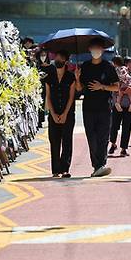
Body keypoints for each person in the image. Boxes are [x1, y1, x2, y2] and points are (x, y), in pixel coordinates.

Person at [75, 38, 120, 177]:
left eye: (98, 48)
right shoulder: (85, 66)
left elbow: (116, 86)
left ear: (102, 50)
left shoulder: (108, 66)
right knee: (92, 138)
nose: (96, 51)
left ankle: (101, 164)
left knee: (103, 137)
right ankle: (96, 165)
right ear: (89, 49)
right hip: (88, 107)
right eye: (94, 48)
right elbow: (79, 88)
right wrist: (77, 78)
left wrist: (102, 87)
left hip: (104, 107)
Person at [45, 50, 76, 178]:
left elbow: (71, 97)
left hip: (67, 114)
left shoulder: (70, 77)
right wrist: (52, 113)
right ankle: (55, 170)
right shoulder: (49, 77)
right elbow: (48, 97)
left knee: (67, 141)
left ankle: (65, 168)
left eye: (60, 58)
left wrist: (64, 114)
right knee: (54, 141)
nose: (57, 61)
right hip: (53, 113)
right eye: (56, 58)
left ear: (65, 61)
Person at [109, 57, 131, 157]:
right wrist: (120, 89)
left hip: (129, 107)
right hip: (117, 106)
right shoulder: (115, 76)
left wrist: (130, 89)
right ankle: (113, 143)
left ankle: (124, 148)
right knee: (114, 126)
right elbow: (112, 87)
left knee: (127, 128)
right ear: (126, 64)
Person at [37, 48, 54, 129]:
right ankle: (39, 121)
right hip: (40, 88)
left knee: (51, 104)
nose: (43, 57)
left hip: (50, 87)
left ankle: (51, 119)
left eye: (44, 55)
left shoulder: (51, 67)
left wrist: (47, 76)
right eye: (41, 55)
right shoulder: (37, 66)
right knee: (40, 104)